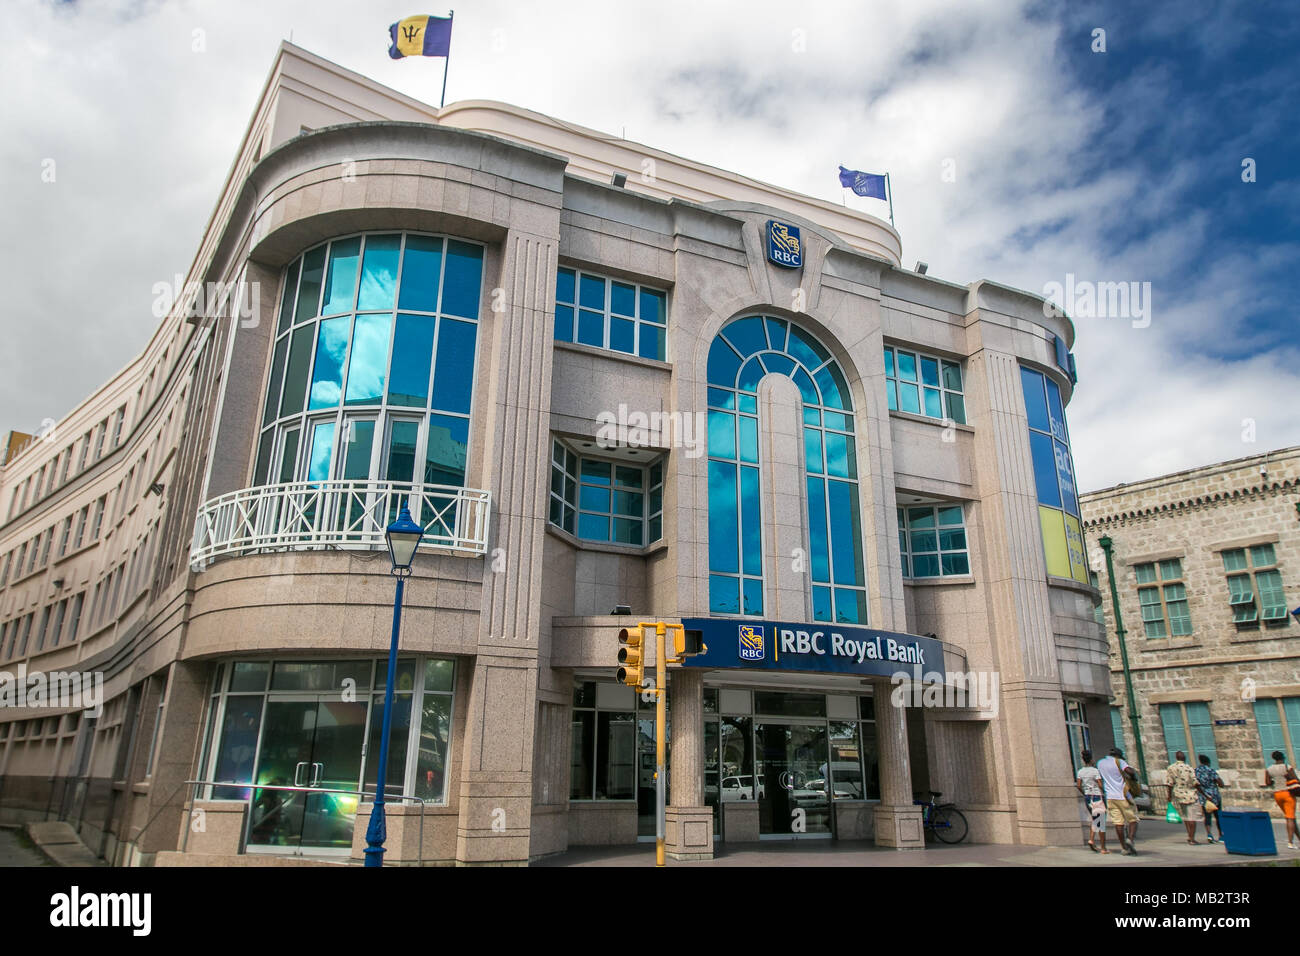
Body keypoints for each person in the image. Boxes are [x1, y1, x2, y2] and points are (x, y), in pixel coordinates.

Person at [1097, 747, 1138, 855]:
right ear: (1118, 755)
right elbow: (1129, 771)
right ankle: (1130, 839)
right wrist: (1133, 775)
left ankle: (1124, 847)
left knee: (1118, 823)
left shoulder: (1100, 763)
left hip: (1110, 797)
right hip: (1123, 795)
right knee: (1133, 820)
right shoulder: (1120, 762)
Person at [1263, 750, 1299, 850]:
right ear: (1283, 757)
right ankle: (1290, 842)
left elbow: (1267, 783)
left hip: (1277, 794)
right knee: (1290, 818)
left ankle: (1298, 839)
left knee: (1290, 817)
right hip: (1288, 793)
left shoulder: (1269, 769)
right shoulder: (1287, 767)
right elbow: (1295, 779)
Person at [1165, 751, 1203, 844]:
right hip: (1190, 795)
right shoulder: (1189, 768)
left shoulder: (1171, 768)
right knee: (1192, 817)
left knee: (1185, 816)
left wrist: (1169, 796)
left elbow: (1169, 783)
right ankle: (1192, 838)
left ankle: (1189, 835)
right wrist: (1204, 794)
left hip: (1178, 794)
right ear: (1184, 758)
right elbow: (1195, 782)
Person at [1075, 749, 1109, 853]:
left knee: (1095, 819)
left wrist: (1084, 792)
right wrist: (1103, 791)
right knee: (1101, 821)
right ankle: (1103, 847)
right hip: (1096, 795)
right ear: (1091, 759)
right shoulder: (1095, 771)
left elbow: (1079, 785)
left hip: (1087, 796)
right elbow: (1099, 784)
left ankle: (1092, 839)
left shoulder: (1080, 771)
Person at [1195, 754, 1225, 843]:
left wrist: (1204, 795)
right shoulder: (1210, 770)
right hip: (1214, 797)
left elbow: (1196, 784)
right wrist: (1220, 784)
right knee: (1218, 816)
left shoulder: (1196, 771)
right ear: (1208, 762)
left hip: (1204, 798)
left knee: (1207, 817)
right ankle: (1221, 835)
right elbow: (1220, 782)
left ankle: (1209, 834)